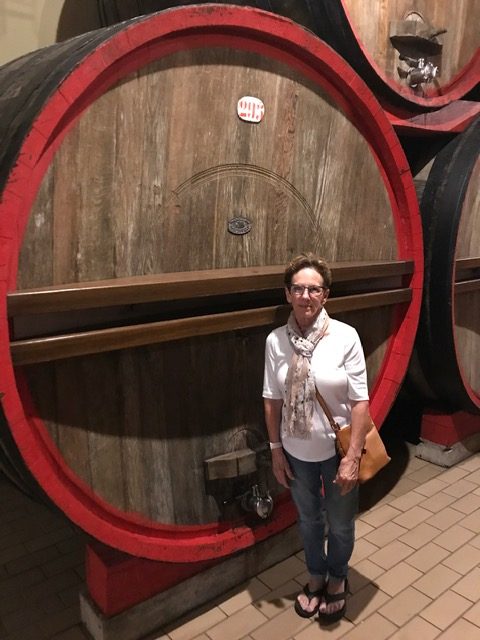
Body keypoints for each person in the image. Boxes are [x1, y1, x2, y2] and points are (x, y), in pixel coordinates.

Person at [263, 253, 370, 623]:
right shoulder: (276, 341)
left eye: (313, 289)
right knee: (309, 520)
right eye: (298, 288)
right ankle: (315, 576)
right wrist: (276, 450)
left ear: (325, 295)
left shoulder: (345, 337)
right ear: (287, 294)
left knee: (340, 522)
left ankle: (337, 578)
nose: (305, 296)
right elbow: (271, 398)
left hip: (336, 452)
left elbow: (360, 402)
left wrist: (352, 457)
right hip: (295, 452)